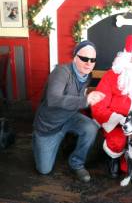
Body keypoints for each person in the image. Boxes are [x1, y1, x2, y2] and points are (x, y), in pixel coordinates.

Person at [32, 40, 105, 182]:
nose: (88, 63)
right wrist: (85, 101)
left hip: (70, 117)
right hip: (49, 125)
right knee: (44, 170)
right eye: (84, 58)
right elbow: (53, 99)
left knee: (91, 127)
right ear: (75, 57)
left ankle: (76, 162)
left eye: (92, 60)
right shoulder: (61, 72)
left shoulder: (86, 76)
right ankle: (39, 139)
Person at [91, 34, 132, 178]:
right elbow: (98, 103)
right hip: (117, 122)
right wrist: (118, 119)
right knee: (118, 141)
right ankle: (113, 159)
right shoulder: (112, 75)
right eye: (131, 59)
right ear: (124, 59)